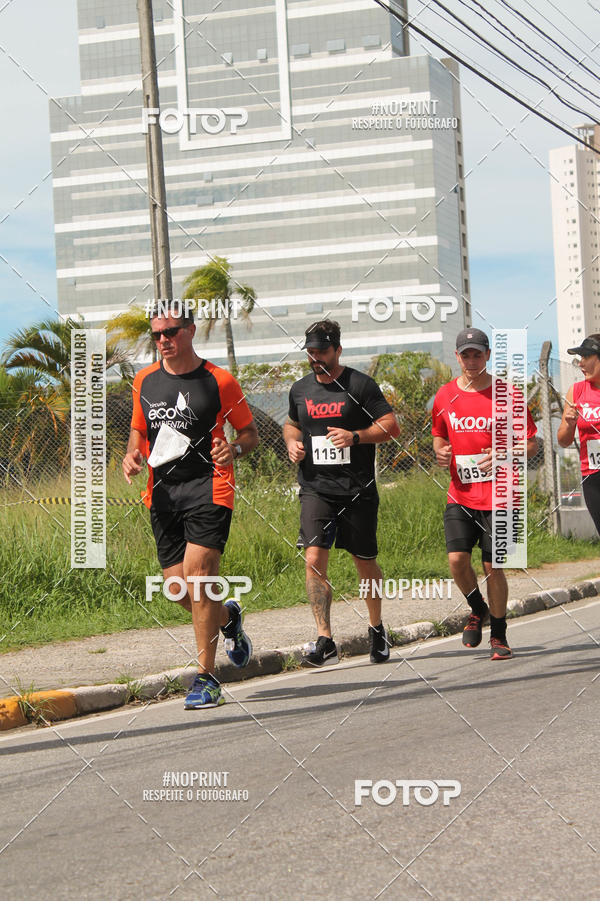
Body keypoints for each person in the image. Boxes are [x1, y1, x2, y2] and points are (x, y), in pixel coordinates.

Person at [122, 303, 259, 709]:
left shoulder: (219, 380)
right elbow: (137, 431)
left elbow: (249, 433)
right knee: (177, 588)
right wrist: (130, 456)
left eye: (171, 332)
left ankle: (207, 677)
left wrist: (231, 448)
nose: (163, 340)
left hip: (209, 488)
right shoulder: (144, 380)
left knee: (200, 577)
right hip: (162, 493)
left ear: (191, 331)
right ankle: (228, 618)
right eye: (157, 334)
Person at [283, 319, 400, 667]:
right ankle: (325, 639)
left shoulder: (360, 385)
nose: (315, 357)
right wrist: (292, 443)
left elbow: (390, 426)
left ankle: (376, 628)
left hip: (357, 489)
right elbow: (291, 424)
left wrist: (356, 437)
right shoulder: (300, 389)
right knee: (314, 558)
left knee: (364, 561)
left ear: (337, 350)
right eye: (310, 352)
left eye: (321, 351)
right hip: (315, 488)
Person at [431, 328, 538, 659]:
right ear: (457, 357)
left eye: (478, 354)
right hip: (460, 493)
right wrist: (440, 452)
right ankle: (477, 608)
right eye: (466, 355)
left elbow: (532, 443)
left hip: (502, 495)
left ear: (488, 355)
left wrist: (505, 453)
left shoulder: (509, 395)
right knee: (457, 560)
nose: (472, 360)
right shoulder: (444, 395)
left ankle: (500, 635)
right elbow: (439, 436)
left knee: (494, 566)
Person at [558, 334, 600, 535]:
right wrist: (568, 423)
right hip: (592, 475)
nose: (580, 363)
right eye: (579, 358)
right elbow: (563, 441)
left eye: (586, 356)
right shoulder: (576, 391)